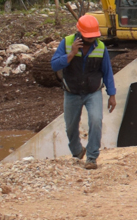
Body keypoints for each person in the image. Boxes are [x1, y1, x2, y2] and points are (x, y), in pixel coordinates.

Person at [50, 14, 117, 170]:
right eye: (88, 37)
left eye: (93, 37)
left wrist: (112, 95)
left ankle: (92, 157)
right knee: (71, 126)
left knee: (96, 120)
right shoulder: (66, 43)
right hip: (72, 91)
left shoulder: (100, 48)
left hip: (92, 91)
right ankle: (77, 151)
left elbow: (107, 72)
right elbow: (54, 65)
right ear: (79, 33)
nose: (91, 39)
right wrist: (72, 54)